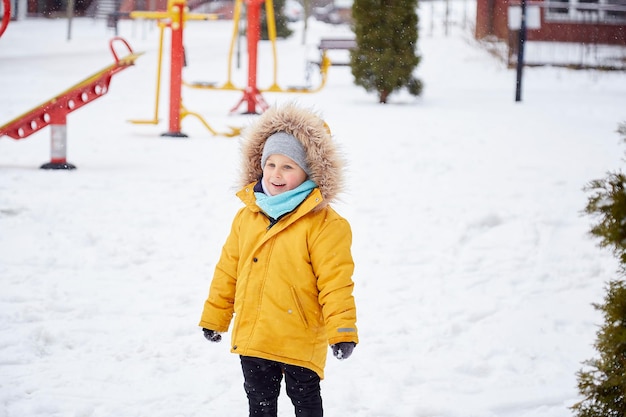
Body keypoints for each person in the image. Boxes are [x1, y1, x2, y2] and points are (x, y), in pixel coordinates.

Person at [199, 103, 358, 417]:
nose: (276, 174)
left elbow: (336, 282)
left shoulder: (325, 225)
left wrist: (342, 331)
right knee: (260, 405)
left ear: (308, 171)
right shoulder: (248, 217)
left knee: (306, 405)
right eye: (270, 164)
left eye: (288, 166)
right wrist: (215, 317)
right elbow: (227, 271)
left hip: (298, 337)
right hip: (255, 335)